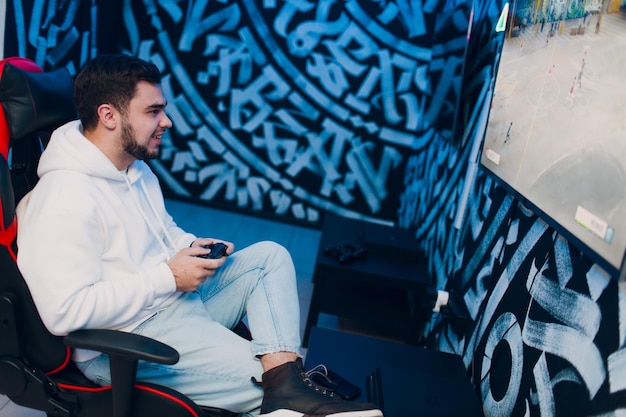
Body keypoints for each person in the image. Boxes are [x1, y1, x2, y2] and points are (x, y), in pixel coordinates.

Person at [16, 54, 383, 417]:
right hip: (125, 337)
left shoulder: (134, 169)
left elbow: (163, 230)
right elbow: (63, 314)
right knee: (263, 382)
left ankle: (286, 388)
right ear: (109, 115)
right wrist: (167, 277)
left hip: (174, 300)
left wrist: (188, 246)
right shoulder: (63, 197)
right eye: (153, 111)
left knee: (269, 258)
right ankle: (284, 392)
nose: (167, 122)